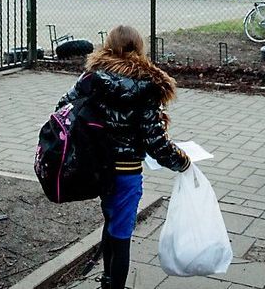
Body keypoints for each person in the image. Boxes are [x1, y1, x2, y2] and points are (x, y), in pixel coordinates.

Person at [56, 25, 191, 289]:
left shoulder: (92, 77)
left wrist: (92, 131)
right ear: (139, 48)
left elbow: (63, 108)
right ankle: (114, 285)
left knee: (110, 220)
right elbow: (155, 141)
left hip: (98, 167)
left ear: (109, 45)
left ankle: (107, 281)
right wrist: (182, 161)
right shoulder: (147, 85)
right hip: (126, 172)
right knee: (121, 233)